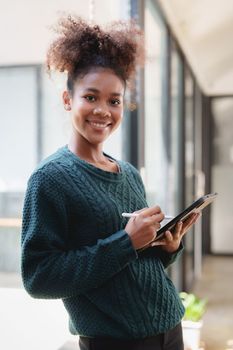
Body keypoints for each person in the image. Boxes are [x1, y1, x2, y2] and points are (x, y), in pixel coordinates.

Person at [21, 15, 200, 350]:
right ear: (67, 100)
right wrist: (125, 243)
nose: (103, 110)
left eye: (114, 100)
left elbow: (138, 261)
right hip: (114, 342)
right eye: (91, 97)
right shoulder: (50, 179)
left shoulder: (129, 173)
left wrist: (168, 246)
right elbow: (37, 277)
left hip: (170, 328)